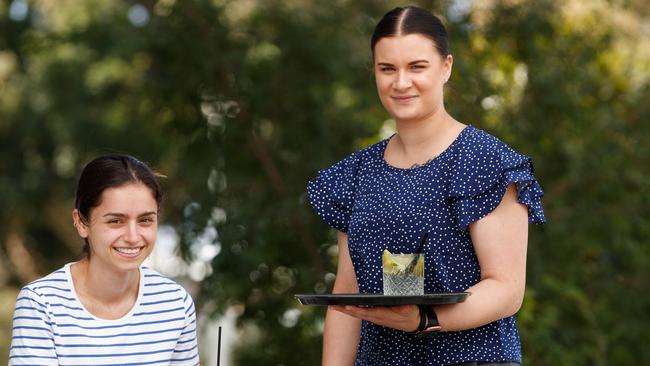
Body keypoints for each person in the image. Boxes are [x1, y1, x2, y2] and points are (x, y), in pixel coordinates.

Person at [307, 6, 545, 366]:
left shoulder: (485, 159)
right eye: (388, 69)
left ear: (446, 67)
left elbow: (506, 289)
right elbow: (347, 297)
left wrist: (425, 319)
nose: (401, 83)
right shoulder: (357, 172)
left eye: (416, 67)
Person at [9, 154, 200, 365]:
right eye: (116, 221)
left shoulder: (175, 303)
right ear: (81, 223)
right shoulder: (42, 304)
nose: (133, 237)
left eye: (145, 220)